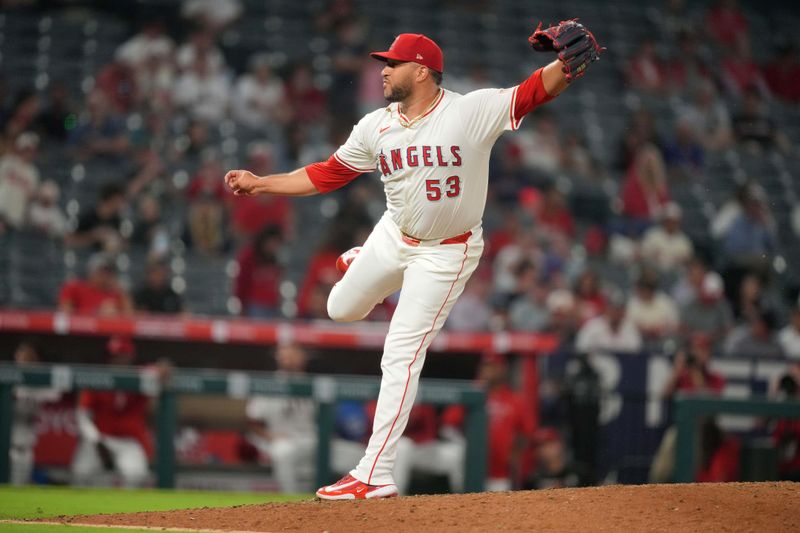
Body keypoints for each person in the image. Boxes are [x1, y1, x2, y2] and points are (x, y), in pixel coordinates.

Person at [225, 24, 603, 499]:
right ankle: (364, 261)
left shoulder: (468, 111)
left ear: (421, 71)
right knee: (340, 309)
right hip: (394, 233)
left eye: (393, 63)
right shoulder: (376, 125)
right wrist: (262, 183)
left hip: (446, 251)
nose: (384, 71)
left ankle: (374, 473)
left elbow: (532, 91)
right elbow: (326, 174)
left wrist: (567, 66)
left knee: (400, 352)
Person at [244, 343, 363, 493]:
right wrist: (271, 436)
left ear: (302, 356)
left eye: (292, 354)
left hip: (315, 441)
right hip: (286, 441)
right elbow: (253, 421)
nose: (287, 359)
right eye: (283, 355)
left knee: (359, 455)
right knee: (282, 451)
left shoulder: (316, 382)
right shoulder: (269, 384)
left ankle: (353, 502)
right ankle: (290, 502)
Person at [441, 351, 534, 492]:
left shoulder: (514, 400)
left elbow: (527, 432)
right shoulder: (472, 394)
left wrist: (515, 452)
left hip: (500, 474)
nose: (487, 371)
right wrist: (465, 445)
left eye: (492, 366)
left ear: (503, 369)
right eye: (485, 366)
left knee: (500, 511)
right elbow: (448, 425)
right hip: (471, 471)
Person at [71, 336, 153, 487]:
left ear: (131, 357)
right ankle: (81, 511)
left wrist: (159, 369)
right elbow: (82, 415)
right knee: (80, 473)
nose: (120, 360)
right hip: (100, 438)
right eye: (116, 356)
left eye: (124, 356)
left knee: (136, 475)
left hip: (128, 440)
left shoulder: (140, 376)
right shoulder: (96, 379)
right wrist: (96, 440)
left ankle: (128, 511)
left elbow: (156, 374)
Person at [10, 339, 61, 485]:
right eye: (21, 355)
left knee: (18, 488)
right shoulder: (6, 378)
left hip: (25, 447)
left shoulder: (39, 382)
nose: (25, 359)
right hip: (6, 444)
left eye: (29, 356)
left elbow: (56, 392)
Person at [58, 253, 133, 316]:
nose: (106, 275)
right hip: (79, 332)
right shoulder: (74, 287)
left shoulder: (116, 292)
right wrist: (96, 313)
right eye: (102, 271)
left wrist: (122, 293)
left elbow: (130, 318)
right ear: (91, 271)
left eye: (110, 272)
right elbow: (65, 315)